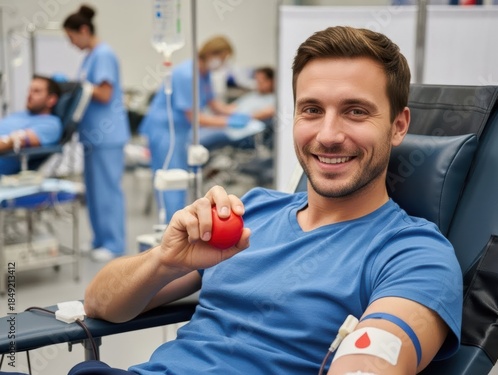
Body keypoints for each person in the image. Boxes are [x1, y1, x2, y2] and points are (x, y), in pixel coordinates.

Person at [0, 26, 463, 375]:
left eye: (356, 111)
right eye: (311, 110)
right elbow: (100, 303)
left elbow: (370, 363)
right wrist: (165, 259)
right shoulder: (250, 212)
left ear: (399, 126)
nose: (328, 135)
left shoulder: (414, 254)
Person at [138, 35, 253, 224]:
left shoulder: (204, 73)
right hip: (166, 130)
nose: (222, 64)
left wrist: (236, 112)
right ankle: (172, 227)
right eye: (222, 59)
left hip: (180, 131)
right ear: (212, 54)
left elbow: (213, 104)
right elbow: (194, 117)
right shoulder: (187, 74)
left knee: (181, 178)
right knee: (172, 180)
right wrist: (228, 123)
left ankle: (178, 222)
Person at [63, 5, 131, 262]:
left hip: (108, 136)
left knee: (107, 190)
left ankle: (114, 244)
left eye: (71, 38)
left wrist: (78, 87)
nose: (71, 44)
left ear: (83, 30)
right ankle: (99, 239)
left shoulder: (103, 54)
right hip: (93, 136)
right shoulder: (90, 55)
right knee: (93, 191)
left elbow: (104, 94)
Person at [198, 65, 276, 149]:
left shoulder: (275, 99)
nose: (258, 84)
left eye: (261, 81)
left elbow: (267, 112)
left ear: (271, 81)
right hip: (229, 126)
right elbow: (230, 109)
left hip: (243, 132)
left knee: (201, 140)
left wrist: (244, 117)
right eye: (256, 80)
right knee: (197, 133)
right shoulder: (252, 95)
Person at [0, 75, 62, 175]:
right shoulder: (20, 114)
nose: (29, 95)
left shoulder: (50, 124)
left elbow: (17, 140)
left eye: (36, 91)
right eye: (30, 90)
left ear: (51, 100)